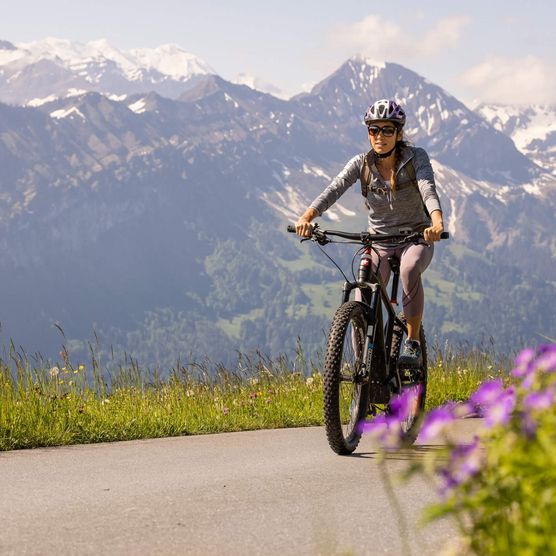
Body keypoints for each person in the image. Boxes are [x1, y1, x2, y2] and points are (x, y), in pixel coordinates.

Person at [295, 99, 444, 366]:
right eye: (374, 130)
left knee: (409, 269)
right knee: (362, 288)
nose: (380, 136)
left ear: (399, 134)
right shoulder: (361, 163)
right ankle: (367, 361)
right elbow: (334, 189)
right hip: (379, 240)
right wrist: (307, 217)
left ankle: (412, 343)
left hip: (415, 237)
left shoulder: (415, 158)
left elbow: (427, 188)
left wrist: (436, 221)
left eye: (387, 130)